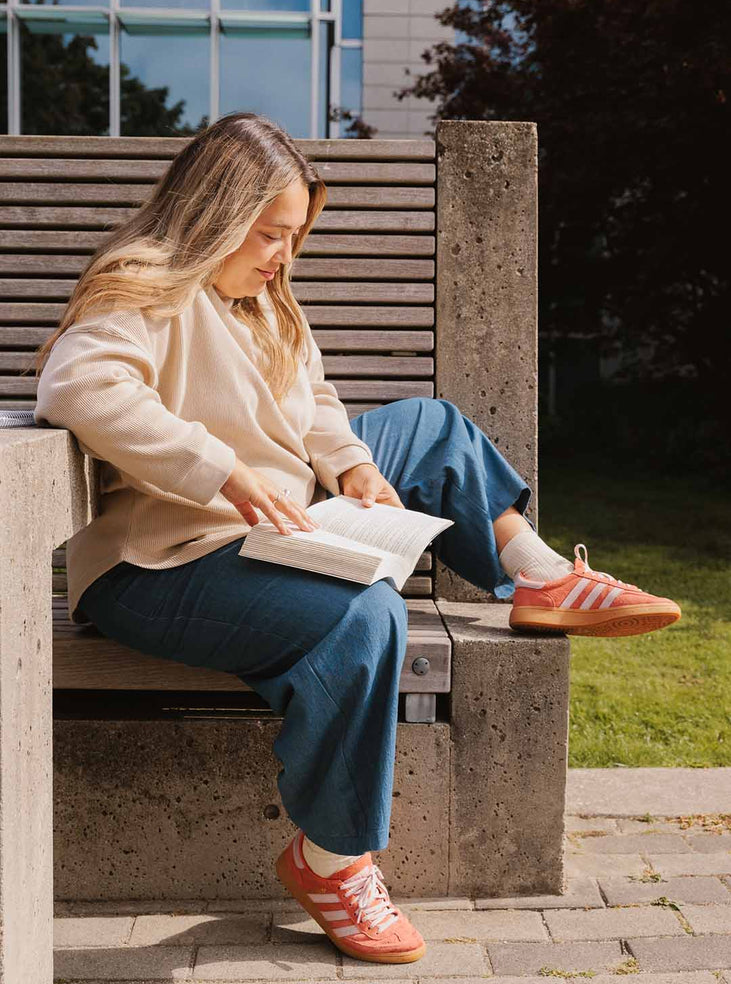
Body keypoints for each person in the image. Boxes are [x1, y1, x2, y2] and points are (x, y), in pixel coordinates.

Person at [32, 112, 681, 966]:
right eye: (269, 233)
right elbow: (76, 385)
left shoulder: (263, 297)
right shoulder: (143, 287)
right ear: (213, 214)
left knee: (433, 428)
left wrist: (350, 469)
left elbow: (317, 399)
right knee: (366, 614)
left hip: (277, 521)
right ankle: (330, 859)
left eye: (293, 236)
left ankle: (539, 579)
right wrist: (222, 470)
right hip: (165, 562)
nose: (282, 255)